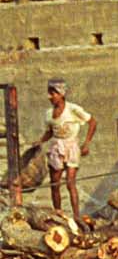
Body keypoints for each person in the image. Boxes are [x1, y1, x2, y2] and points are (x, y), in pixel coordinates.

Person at [40, 79, 94, 232]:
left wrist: (86, 143)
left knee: (70, 182)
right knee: (55, 184)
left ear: (61, 94)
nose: (50, 97)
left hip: (71, 146)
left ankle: (77, 216)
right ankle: (58, 214)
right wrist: (39, 141)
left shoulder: (73, 109)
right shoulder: (49, 113)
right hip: (57, 146)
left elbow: (92, 122)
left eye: (53, 94)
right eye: (49, 93)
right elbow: (50, 132)